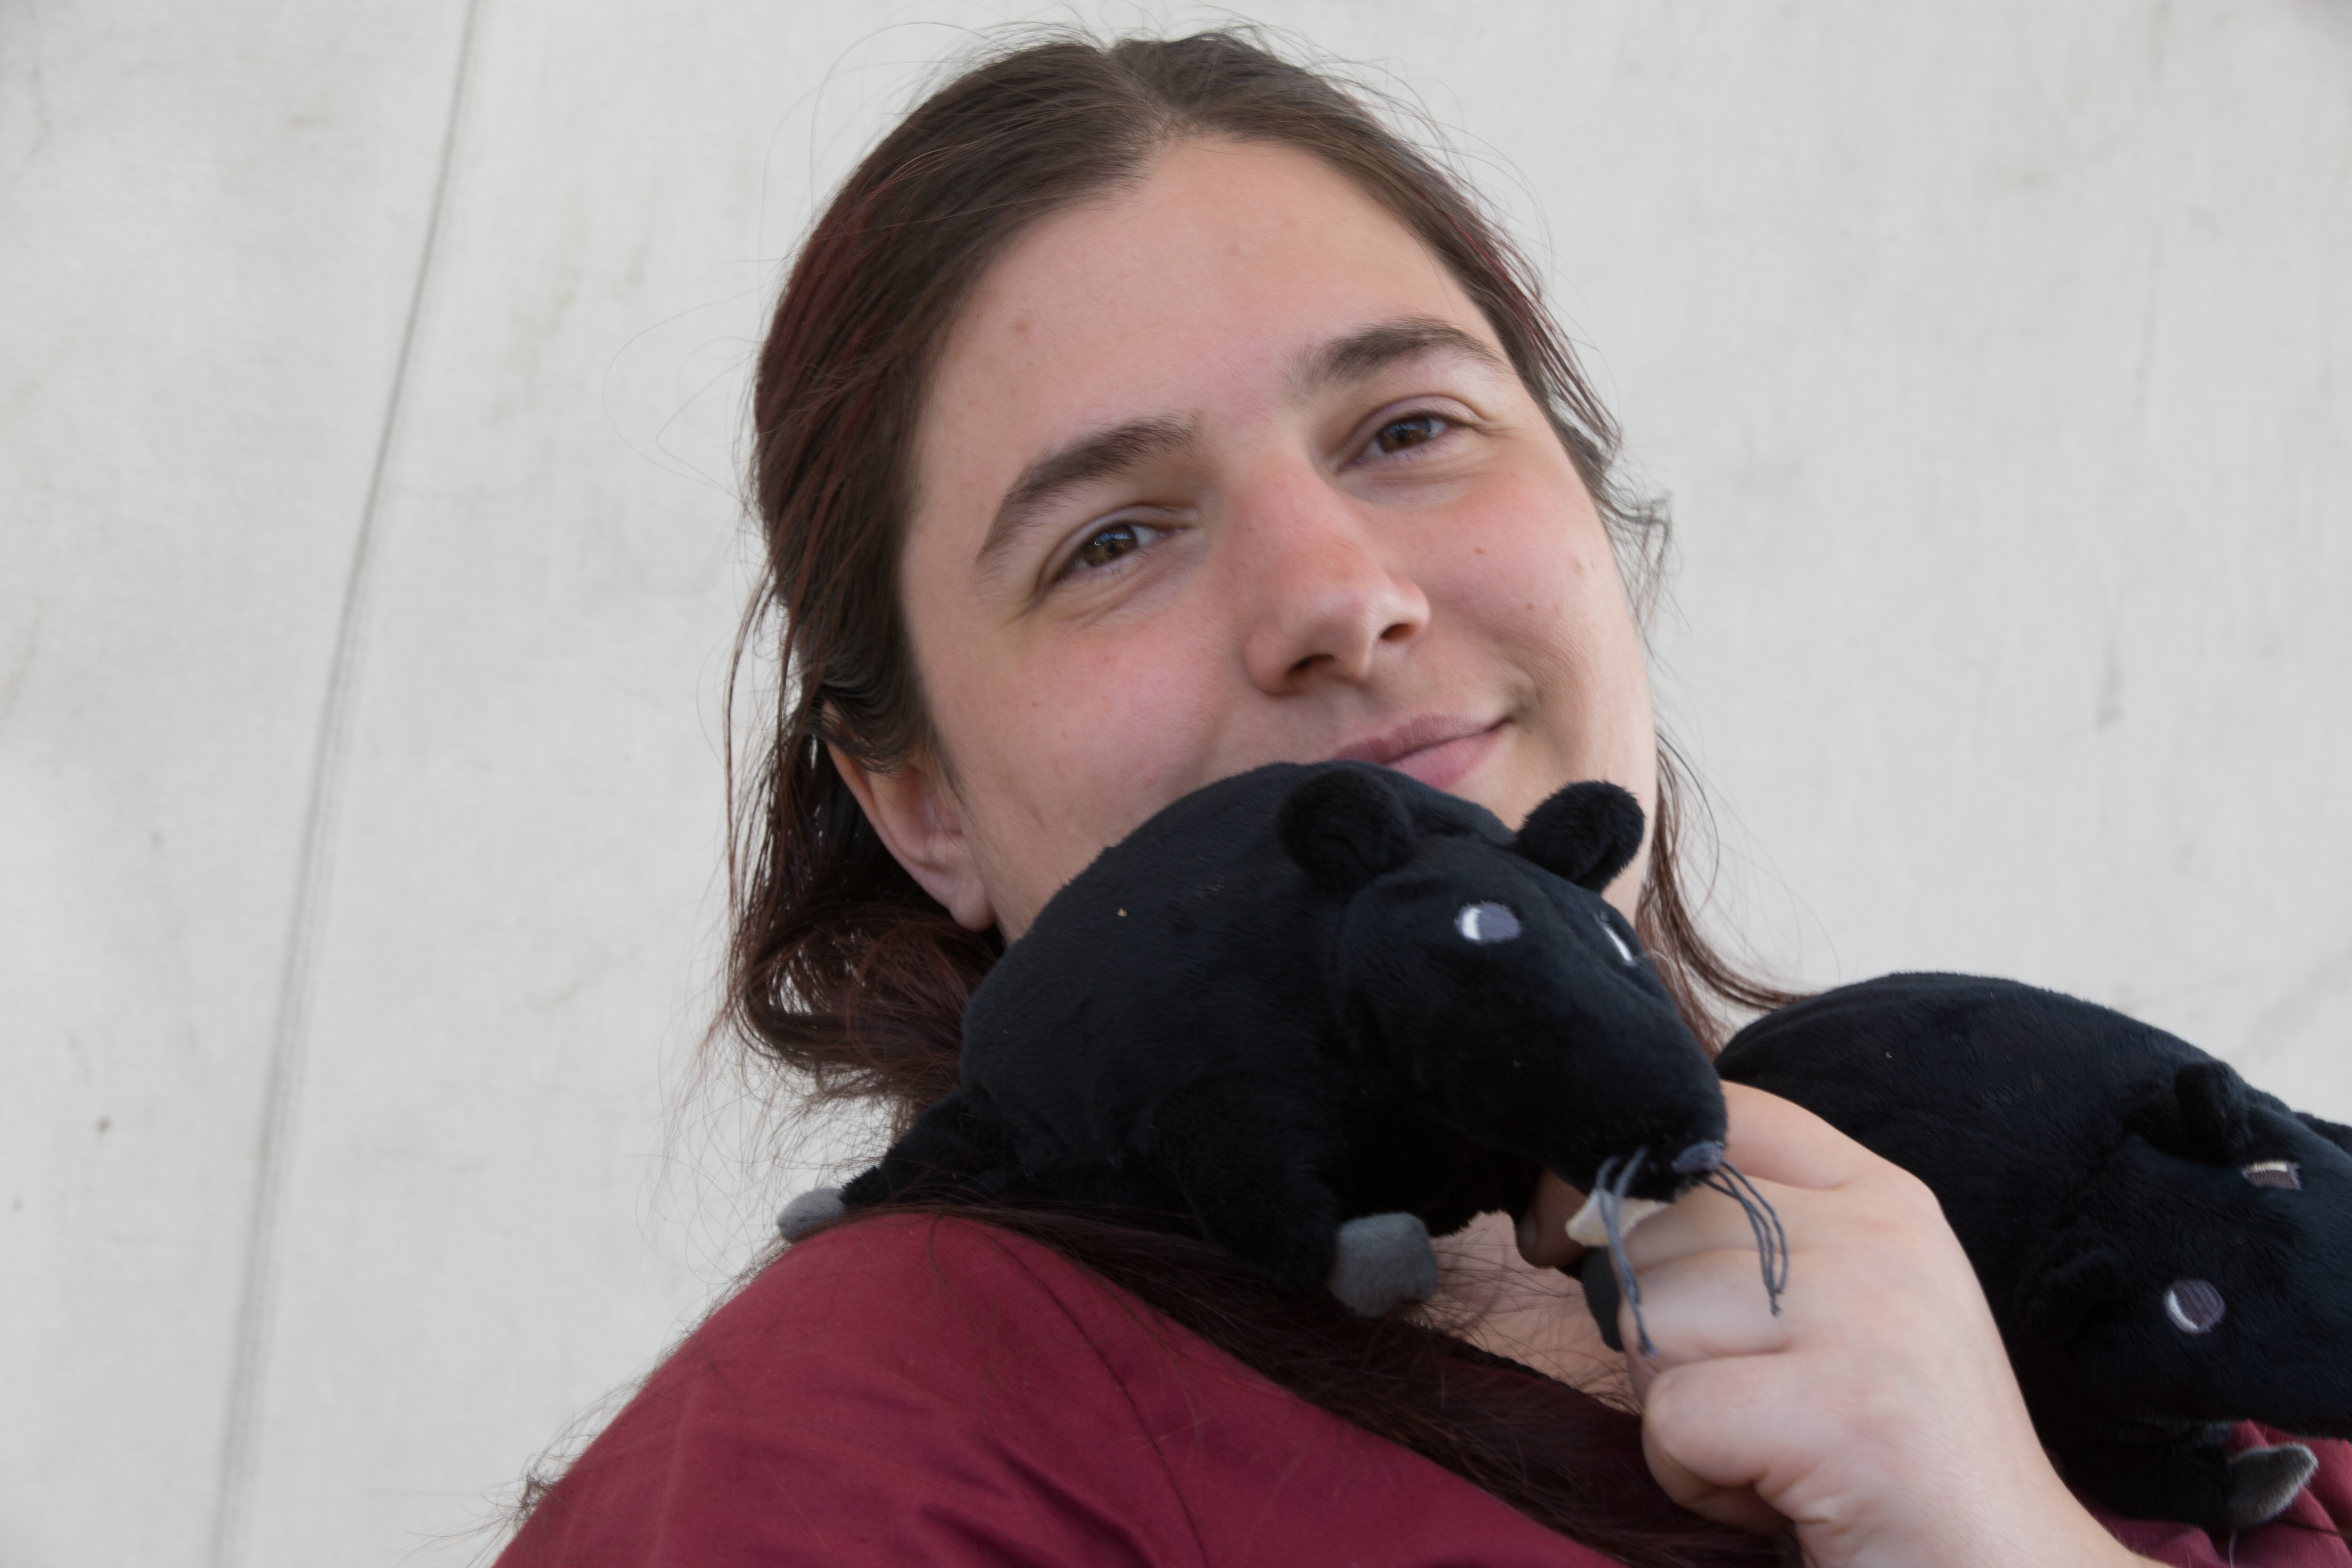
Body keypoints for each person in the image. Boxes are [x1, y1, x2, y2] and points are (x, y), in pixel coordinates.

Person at [496, 29, 2350, 1568]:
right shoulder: (846, 1458)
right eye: (1113, 539)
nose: (1338, 595)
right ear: (918, 803)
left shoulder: (2100, 1207)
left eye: (1407, 430)